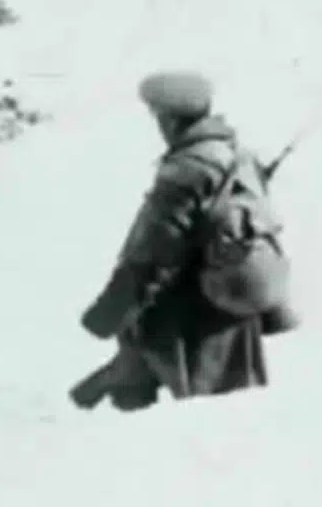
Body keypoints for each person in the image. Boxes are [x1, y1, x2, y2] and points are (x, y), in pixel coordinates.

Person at [78, 71, 293, 412]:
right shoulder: (240, 155)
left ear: (168, 120)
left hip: (193, 319)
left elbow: (152, 251)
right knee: (228, 415)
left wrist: (107, 313)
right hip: (233, 308)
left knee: (181, 410)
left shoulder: (187, 168)